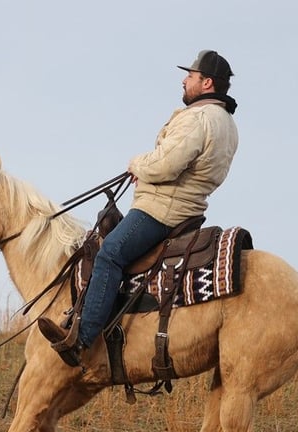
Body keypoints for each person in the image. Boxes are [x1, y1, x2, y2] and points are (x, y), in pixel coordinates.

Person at [39, 49, 239, 367]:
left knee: (110, 254)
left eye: (191, 76)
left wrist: (137, 163)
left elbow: (166, 165)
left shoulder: (198, 119)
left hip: (160, 210)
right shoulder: (227, 124)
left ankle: (81, 340)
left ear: (207, 83)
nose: (184, 80)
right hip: (188, 209)